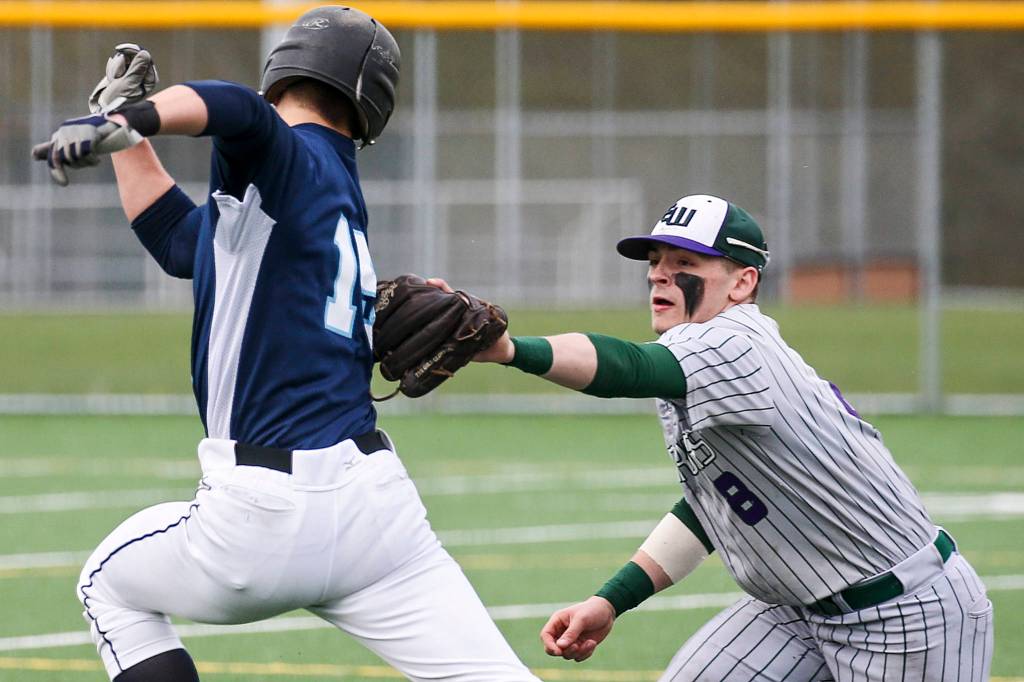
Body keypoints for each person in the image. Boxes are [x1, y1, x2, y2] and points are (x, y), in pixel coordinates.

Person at [33, 7, 541, 682]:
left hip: (261, 514)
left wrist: (129, 121)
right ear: (372, 103)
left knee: (108, 583)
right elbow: (183, 244)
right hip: (378, 516)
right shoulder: (332, 178)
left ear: (283, 70)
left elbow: (234, 107)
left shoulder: (280, 152)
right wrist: (130, 138)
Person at [466, 193, 994, 680]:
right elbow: (715, 504)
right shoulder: (693, 356)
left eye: (684, 264)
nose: (658, 277)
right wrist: (611, 600)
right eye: (655, 263)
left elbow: (623, 367)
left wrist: (513, 350)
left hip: (905, 616)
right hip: (797, 610)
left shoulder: (735, 345)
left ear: (742, 283)